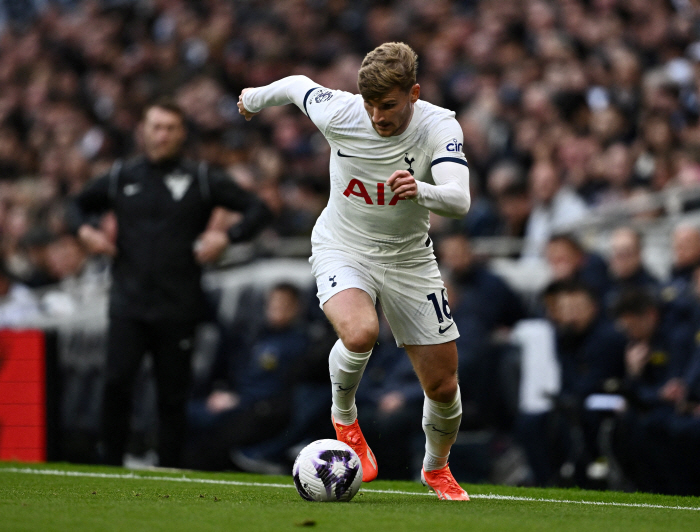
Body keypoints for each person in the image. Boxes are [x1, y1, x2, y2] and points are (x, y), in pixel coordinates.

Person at [238, 42, 471, 500]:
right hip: (342, 245)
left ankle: (435, 469)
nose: (378, 117)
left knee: (443, 386)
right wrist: (254, 96)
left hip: (409, 258)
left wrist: (420, 190)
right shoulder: (340, 112)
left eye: (388, 105)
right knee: (360, 333)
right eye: (370, 106)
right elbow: (296, 86)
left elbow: (459, 200)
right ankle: (344, 419)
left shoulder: (439, 124)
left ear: (414, 94)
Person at [66, 99, 272, 468]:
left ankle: (169, 468)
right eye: (155, 127)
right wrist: (85, 231)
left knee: (172, 394)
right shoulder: (121, 176)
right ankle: (110, 463)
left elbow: (258, 209)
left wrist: (227, 237)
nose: (162, 135)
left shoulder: (203, 179)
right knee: (116, 383)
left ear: (182, 134)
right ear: (143, 131)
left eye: (170, 128)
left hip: (178, 304)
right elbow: (75, 205)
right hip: (128, 301)